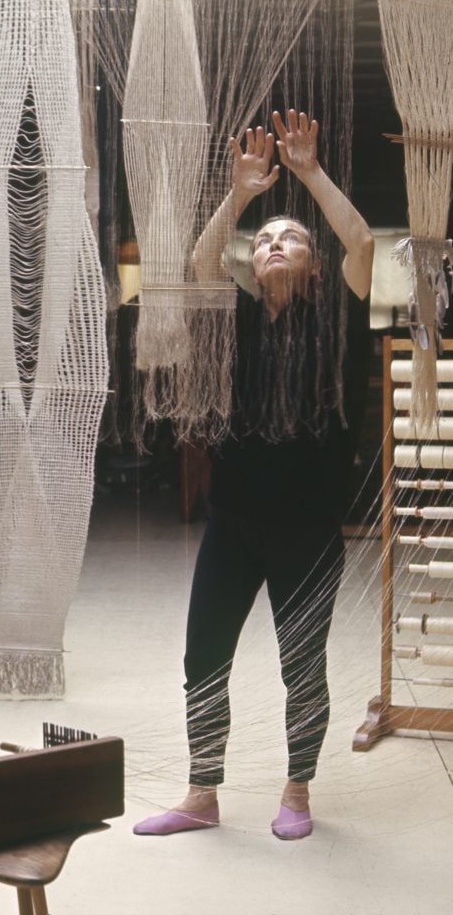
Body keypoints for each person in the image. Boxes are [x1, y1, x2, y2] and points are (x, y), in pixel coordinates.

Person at [133, 110, 374, 840]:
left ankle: (296, 792)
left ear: (311, 264)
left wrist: (307, 174)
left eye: (290, 237)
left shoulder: (339, 323)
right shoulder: (235, 321)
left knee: (301, 667)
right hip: (232, 525)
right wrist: (239, 197)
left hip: (307, 531)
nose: (273, 243)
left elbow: (360, 242)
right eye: (263, 239)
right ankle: (201, 793)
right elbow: (204, 264)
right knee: (202, 657)